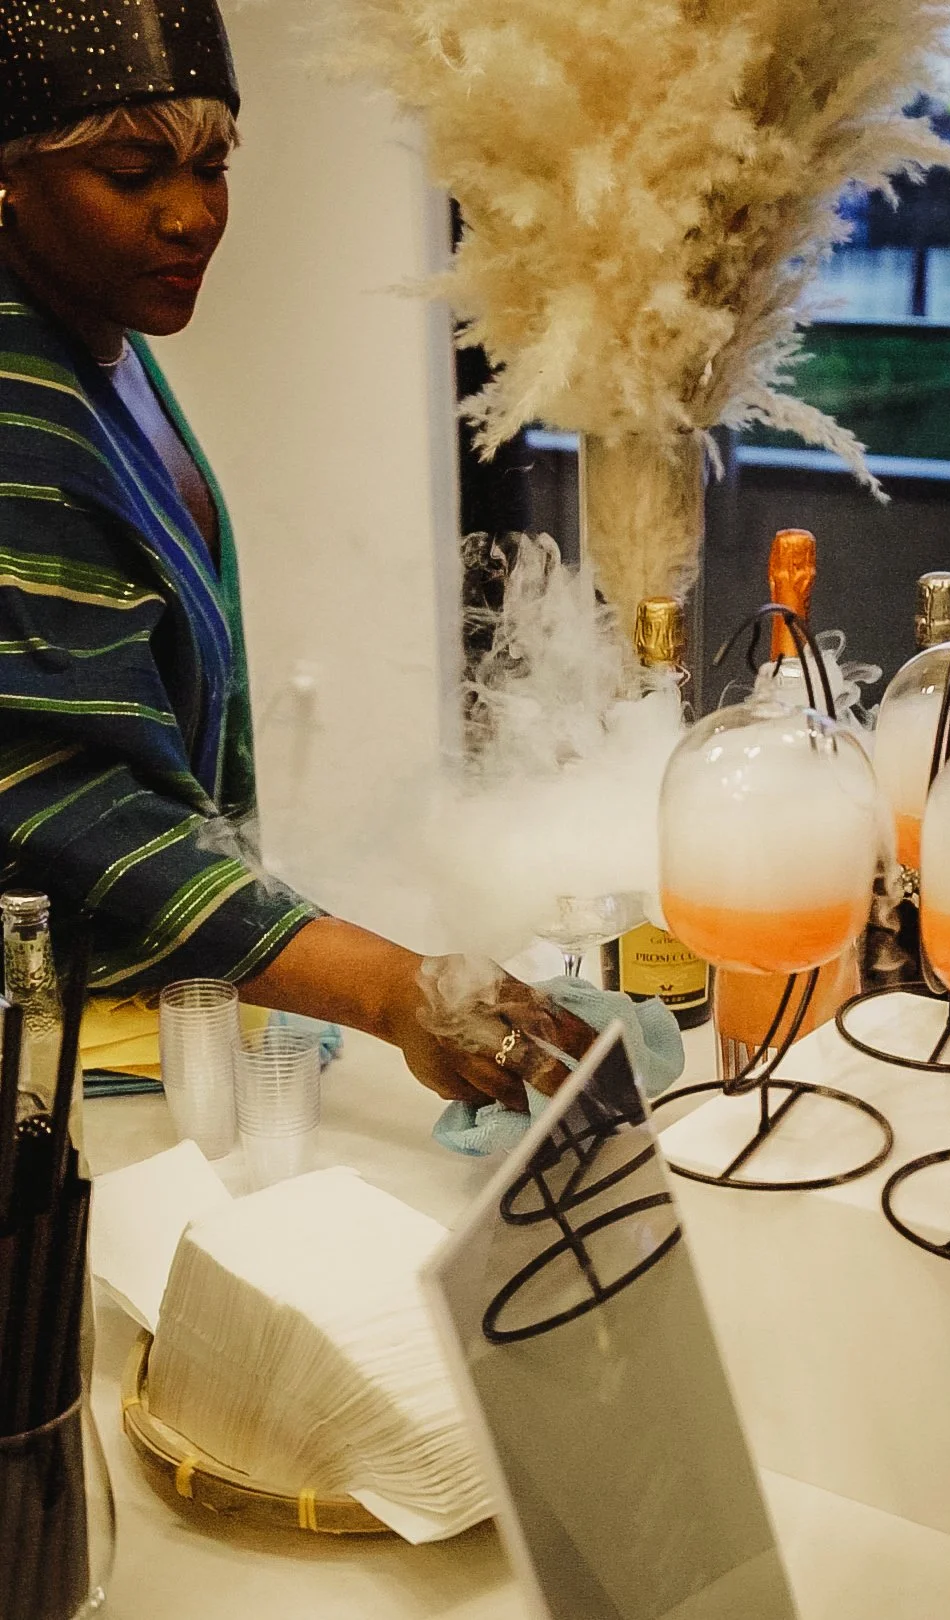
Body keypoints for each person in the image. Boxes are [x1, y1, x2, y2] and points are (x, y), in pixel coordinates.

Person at [0, 0, 591, 1109]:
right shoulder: (15, 410)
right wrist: (389, 990)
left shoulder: (96, 339)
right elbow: (64, 800)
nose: (190, 217)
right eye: (135, 173)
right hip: (60, 1049)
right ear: (13, 177)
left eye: (213, 165)